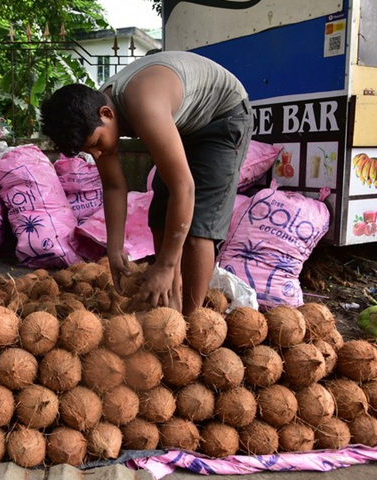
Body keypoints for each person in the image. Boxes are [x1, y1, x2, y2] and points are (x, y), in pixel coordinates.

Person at [40, 51, 253, 315]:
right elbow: (114, 185)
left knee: (199, 227)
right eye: (88, 150)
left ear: (106, 113)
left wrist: (164, 266)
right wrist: (114, 250)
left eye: (95, 144)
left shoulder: (143, 106)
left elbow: (184, 189)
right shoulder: (94, 117)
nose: (96, 154)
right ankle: (170, 311)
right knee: (160, 218)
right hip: (184, 121)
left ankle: (193, 321)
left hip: (223, 116)